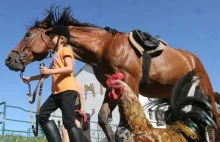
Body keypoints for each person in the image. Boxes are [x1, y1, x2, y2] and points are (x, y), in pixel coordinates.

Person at [22, 25, 84, 142]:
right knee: (42, 115)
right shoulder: (54, 57)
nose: (50, 39)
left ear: (62, 39)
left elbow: (69, 68)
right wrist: (30, 78)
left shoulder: (65, 50)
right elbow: (46, 75)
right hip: (56, 93)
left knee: (69, 122)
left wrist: (50, 70)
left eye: (53, 37)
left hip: (67, 91)